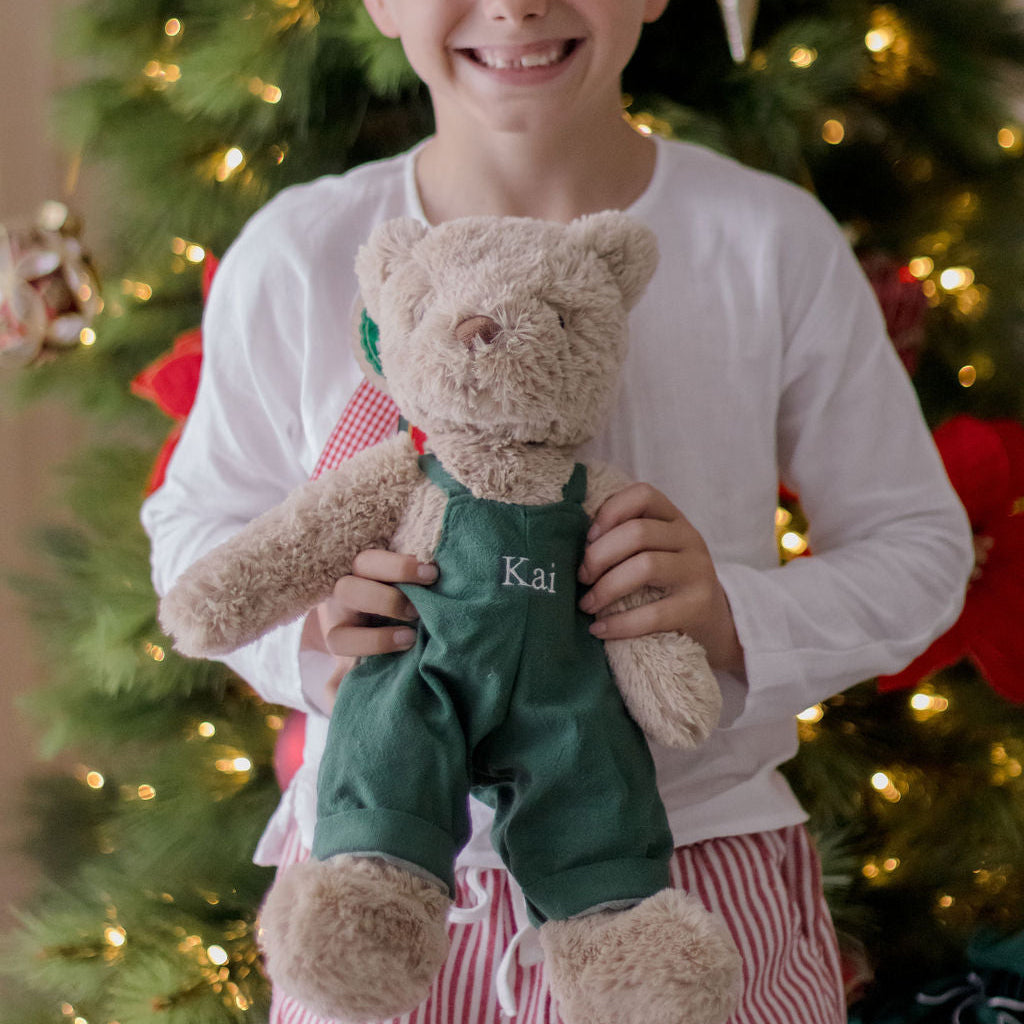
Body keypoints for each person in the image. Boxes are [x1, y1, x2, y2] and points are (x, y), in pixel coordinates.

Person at [141, 0, 975, 1021]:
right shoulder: (302, 251)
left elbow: (918, 546)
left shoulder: (767, 241)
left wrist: (729, 618)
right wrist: (313, 632)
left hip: (690, 879)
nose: (516, 5)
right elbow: (198, 526)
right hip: (376, 878)